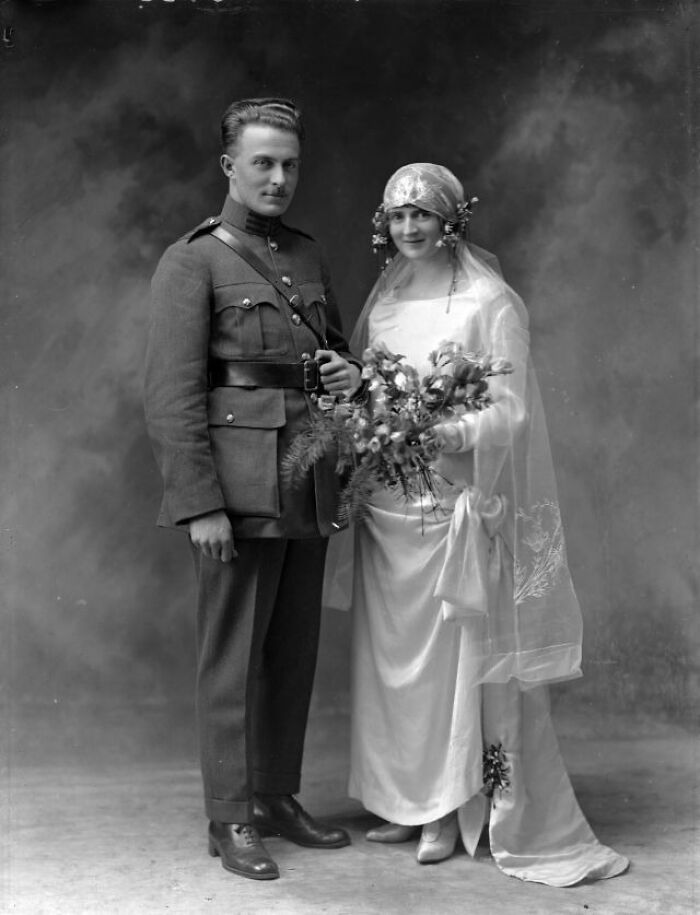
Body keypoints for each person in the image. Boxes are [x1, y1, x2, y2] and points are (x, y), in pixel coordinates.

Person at [329, 163, 629, 886]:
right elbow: (372, 390)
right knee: (389, 665)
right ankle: (401, 797)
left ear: (451, 221)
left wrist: (444, 432)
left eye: (422, 215)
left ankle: (449, 802)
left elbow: (512, 409)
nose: (408, 228)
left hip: (451, 509)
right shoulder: (389, 302)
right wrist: (369, 414)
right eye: (396, 216)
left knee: (446, 666)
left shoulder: (490, 302)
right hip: (388, 511)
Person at [144, 98, 361, 881]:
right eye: (263, 162)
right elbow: (171, 398)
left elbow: (333, 353)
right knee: (233, 657)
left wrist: (348, 371)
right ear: (229, 167)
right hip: (236, 492)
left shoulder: (305, 254)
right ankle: (229, 815)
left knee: (291, 654)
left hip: (305, 481)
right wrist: (200, 502)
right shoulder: (193, 261)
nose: (277, 177)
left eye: (289, 164)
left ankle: (275, 795)